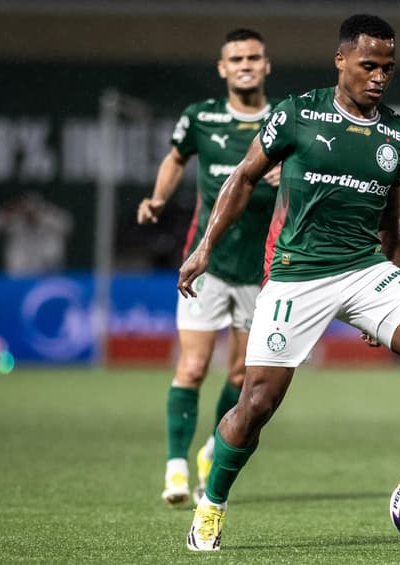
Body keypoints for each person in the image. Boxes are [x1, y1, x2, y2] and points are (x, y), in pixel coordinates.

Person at [178, 14, 400, 550]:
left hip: (366, 269)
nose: (379, 76)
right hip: (297, 277)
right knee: (256, 403)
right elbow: (243, 178)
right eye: (369, 65)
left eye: (388, 68)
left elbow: (391, 220)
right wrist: (204, 249)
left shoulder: (398, 135)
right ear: (342, 61)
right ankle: (210, 508)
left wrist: (389, 292)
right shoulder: (297, 115)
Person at [137, 28, 280, 508]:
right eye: (235, 58)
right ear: (222, 68)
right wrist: (158, 199)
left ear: (266, 65)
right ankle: (176, 467)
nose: (244, 64)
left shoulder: (285, 121)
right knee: (194, 366)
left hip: (261, 271)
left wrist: (288, 175)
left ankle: (212, 450)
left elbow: (310, 175)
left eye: (253, 57)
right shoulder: (200, 116)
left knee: (241, 375)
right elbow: (175, 159)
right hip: (208, 263)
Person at [0, 191, 73, 276]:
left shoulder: (50, 215)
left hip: (46, 262)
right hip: (19, 262)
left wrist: (39, 219)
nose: (30, 212)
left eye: (34, 208)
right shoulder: (13, 216)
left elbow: (67, 226)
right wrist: (7, 215)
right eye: (26, 208)